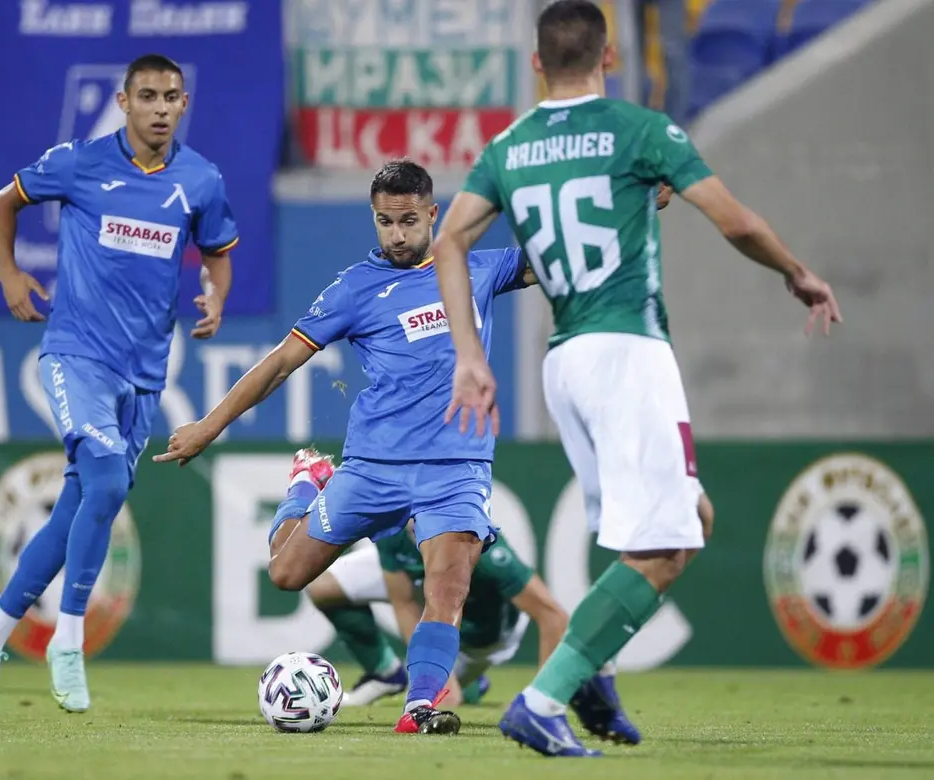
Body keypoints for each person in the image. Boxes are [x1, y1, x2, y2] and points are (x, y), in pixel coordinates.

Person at [431, 0, 840, 757]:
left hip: (565, 362)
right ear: (610, 57)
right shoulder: (640, 130)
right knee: (663, 547)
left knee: (688, 518)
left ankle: (593, 678)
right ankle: (545, 699)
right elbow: (737, 221)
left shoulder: (508, 148)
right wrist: (796, 271)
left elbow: (448, 240)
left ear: (537, 64)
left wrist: (470, 355)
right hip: (626, 352)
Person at [156, 159, 534, 735]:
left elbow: (560, 258)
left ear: (434, 215)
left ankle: (419, 707)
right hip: (375, 465)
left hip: (456, 466)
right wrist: (210, 426)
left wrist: (628, 203)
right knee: (287, 573)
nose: (397, 234)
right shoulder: (355, 288)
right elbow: (281, 362)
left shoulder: (477, 268)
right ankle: (305, 486)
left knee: (448, 586)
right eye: (385, 222)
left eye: (409, 221)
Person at [0, 54, 237, 717]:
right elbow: (3, 203)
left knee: (80, 506)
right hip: (76, 354)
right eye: (148, 96)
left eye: (171, 96)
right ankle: (69, 640)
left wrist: (216, 295)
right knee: (106, 483)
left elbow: (219, 253)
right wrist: (9, 274)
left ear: (185, 102)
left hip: (143, 374)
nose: (161, 108)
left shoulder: (200, 179)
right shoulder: (79, 163)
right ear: (123, 101)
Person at [299, 452, 643, 744]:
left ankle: (472, 681)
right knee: (323, 586)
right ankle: (385, 672)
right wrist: (422, 681)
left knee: (455, 694)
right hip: (427, 594)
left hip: (482, 637)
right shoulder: (394, 528)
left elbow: (551, 614)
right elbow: (403, 602)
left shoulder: (480, 547)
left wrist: (543, 695)